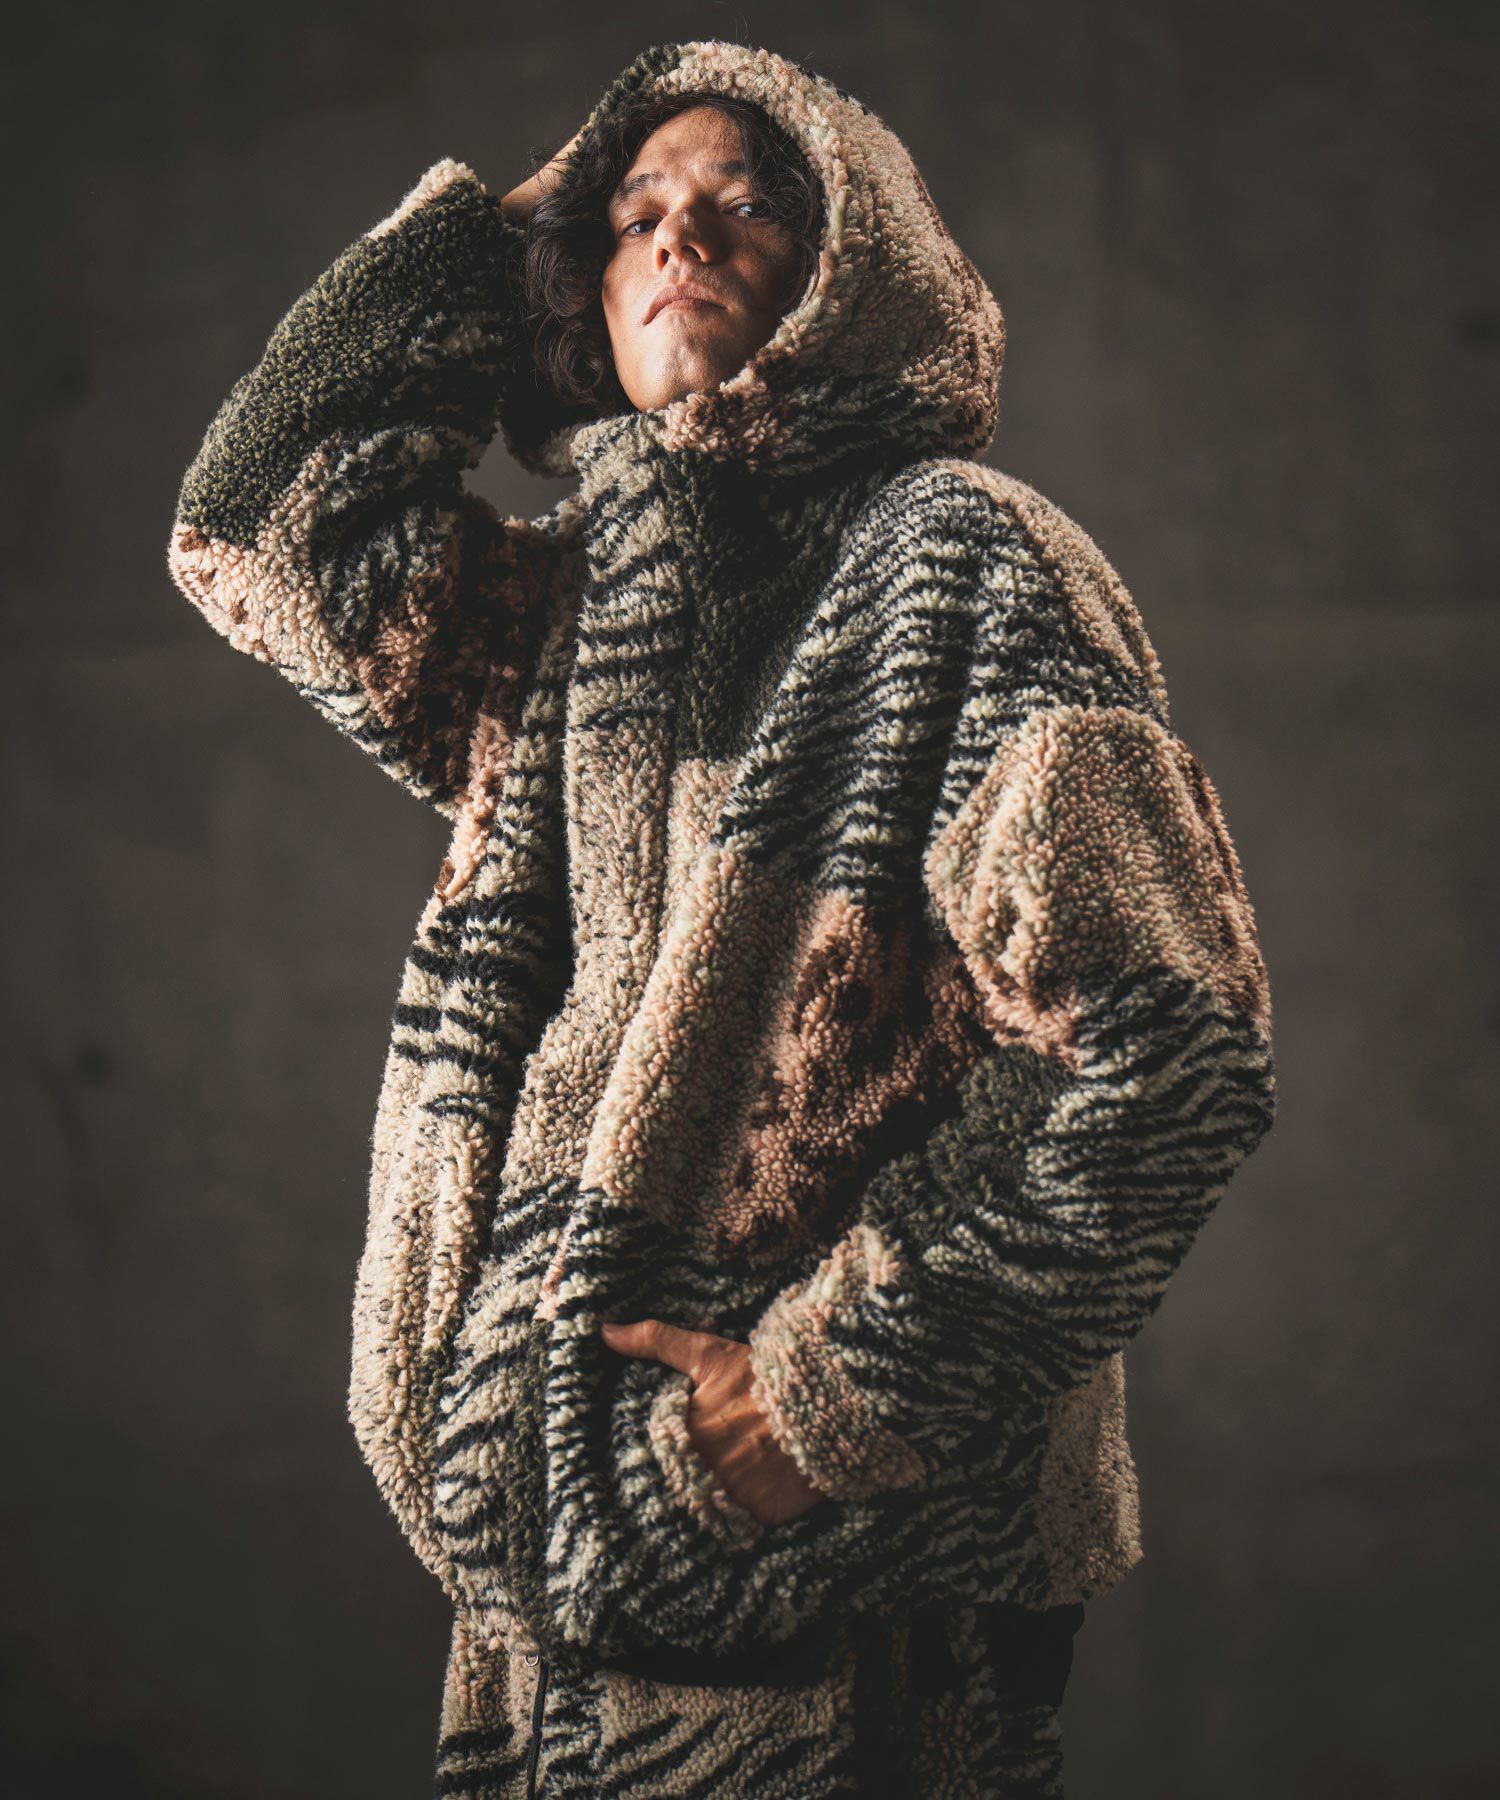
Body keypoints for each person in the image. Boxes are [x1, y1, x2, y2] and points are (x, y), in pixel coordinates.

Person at [166, 38, 1277, 1799]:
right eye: (636, 217)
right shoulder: (567, 618)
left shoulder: (965, 563)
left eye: (744, 208)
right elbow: (256, 524)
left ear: (852, 271)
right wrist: (506, 229)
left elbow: (1167, 1050)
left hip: (839, 1569)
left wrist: (810, 1410)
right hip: (538, 1586)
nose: (680, 236)